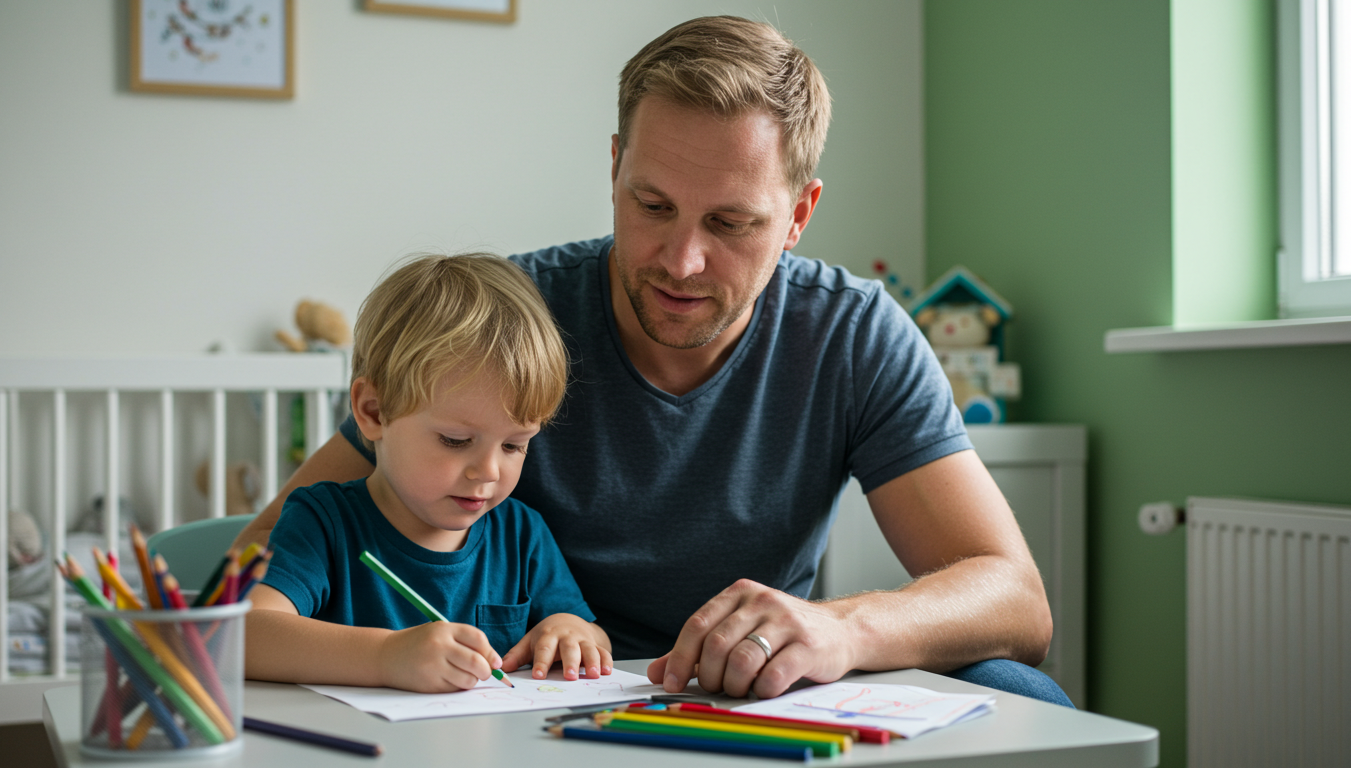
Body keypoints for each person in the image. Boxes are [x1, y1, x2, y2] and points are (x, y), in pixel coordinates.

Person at [237, 16, 1069, 706]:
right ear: (614, 169)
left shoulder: (852, 335)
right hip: (538, 707)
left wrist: (842, 630)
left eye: (732, 223)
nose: (681, 261)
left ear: (799, 215)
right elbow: (259, 564)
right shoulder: (505, 325)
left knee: (1020, 694)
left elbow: (1016, 600)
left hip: (753, 702)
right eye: (653, 205)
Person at [244, 254, 611, 692]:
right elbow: (246, 634)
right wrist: (385, 658)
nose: (489, 471)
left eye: (514, 445)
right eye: (456, 441)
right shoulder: (322, 522)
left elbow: (590, 634)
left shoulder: (521, 534)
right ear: (373, 412)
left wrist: (573, 632)